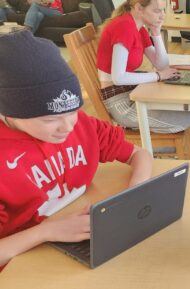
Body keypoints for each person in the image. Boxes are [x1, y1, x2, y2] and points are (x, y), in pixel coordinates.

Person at [0, 30, 153, 267]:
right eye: (49, 120)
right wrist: (46, 232)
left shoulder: (82, 125)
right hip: (25, 259)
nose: (67, 126)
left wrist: (135, 192)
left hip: (75, 235)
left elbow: (138, 153)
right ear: (7, 113)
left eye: (72, 112)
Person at [96, 0, 190, 134]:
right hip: (120, 101)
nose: (162, 16)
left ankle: (146, 140)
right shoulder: (124, 26)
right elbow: (118, 78)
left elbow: (162, 65)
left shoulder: (139, 27)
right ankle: (142, 146)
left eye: (163, 10)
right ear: (139, 8)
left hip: (132, 90)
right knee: (187, 118)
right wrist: (158, 76)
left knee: (183, 110)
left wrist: (156, 32)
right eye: (157, 11)